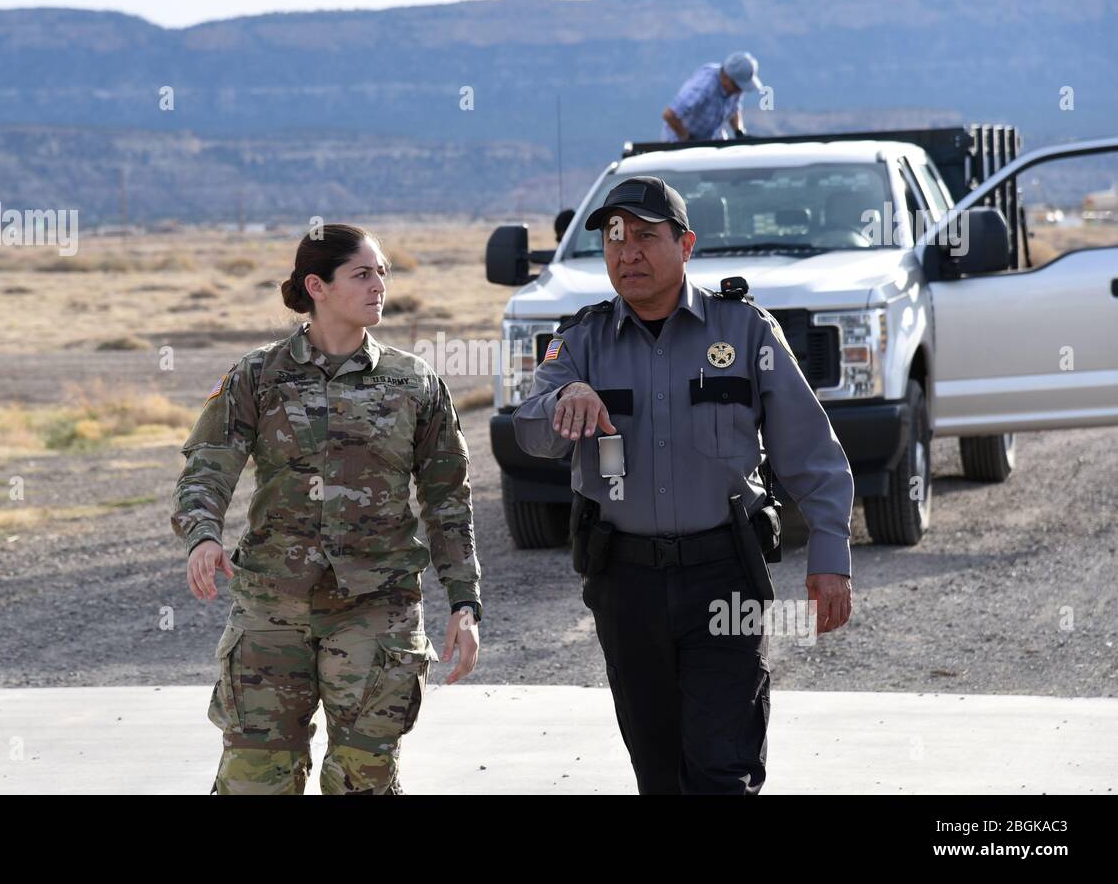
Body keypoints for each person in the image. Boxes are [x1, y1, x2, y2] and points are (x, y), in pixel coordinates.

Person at [512, 176, 853, 794]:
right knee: (658, 769)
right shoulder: (581, 340)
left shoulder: (745, 331)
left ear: (686, 244)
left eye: (645, 237)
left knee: (724, 766)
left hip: (723, 574)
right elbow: (530, 432)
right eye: (615, 238)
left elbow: (812, 453)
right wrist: (566, 395)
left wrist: (830, 556)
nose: (627, 253)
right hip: (624, 584)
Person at [170, 223, 482, 795]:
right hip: (272, 606)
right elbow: (207, 466)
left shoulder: (414, 382)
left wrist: (464, 602)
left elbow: (448, 501)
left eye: (382, 272)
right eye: (362, 274)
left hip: (375, 607)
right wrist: (203, 535)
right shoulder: (258, 376)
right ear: (317, 285)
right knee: (254, 778)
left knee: (362, 777)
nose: (378, 285)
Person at [660, 51, 763, 142]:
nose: (740, 91)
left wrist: (739, 132)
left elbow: (734, 108)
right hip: (679, 146)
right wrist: (687, 139)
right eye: (738, 87)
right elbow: (670, 115)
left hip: (711, 141)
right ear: (726, 77)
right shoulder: (703, 86)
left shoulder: (734, 90)